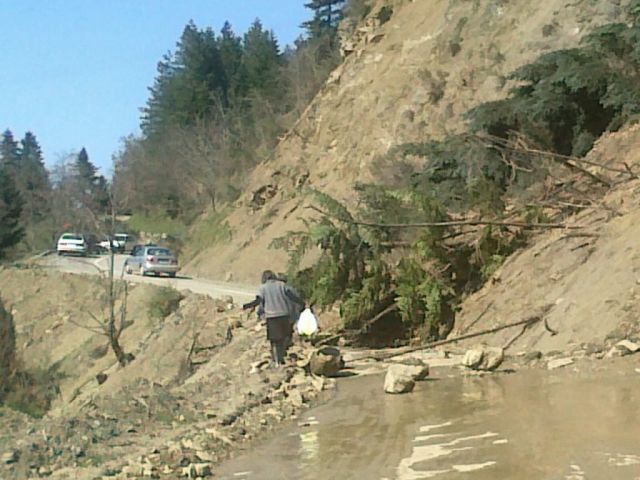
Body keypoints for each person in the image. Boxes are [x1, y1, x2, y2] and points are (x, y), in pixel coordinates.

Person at [243, 270, 305, 367]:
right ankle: (283, 357)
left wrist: (247, 306)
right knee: (284, 337)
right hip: (284, 315)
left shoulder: (263, 288)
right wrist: (302, 303)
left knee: (275, 341)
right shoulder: (282, 285)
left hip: (272, 317)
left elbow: (258, 300)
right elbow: (291, 296)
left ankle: (276, 361)